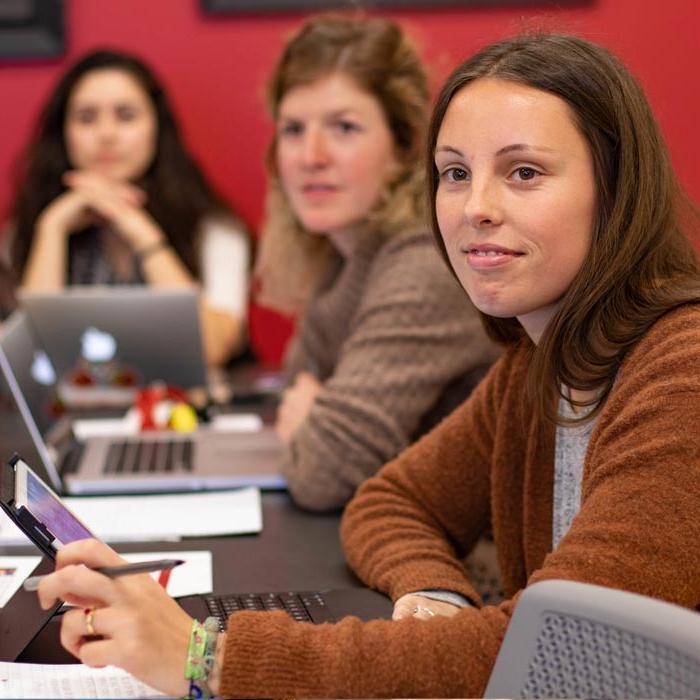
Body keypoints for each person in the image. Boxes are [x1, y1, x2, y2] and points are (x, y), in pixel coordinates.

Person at [36, 32, 700, 698]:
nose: (476, 209)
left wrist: (205, 657)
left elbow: (565, 652)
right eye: (455, 173)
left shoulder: (683, 374)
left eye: (523, 172)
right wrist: (433, 589)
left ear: (616, 190)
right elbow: (388, 500)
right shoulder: (534, 366)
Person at [255, 15, 498, 510]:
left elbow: (323, 472)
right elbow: (298, 387)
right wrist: (308, 413)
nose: (310, 155)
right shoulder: (343, 252)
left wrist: (309, 417)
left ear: (404, 145)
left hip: (473, 568)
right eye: (293, 129)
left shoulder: (425, 262)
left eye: (344, 127)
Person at [6, 50, 250, 367]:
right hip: (76, 415)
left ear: (157, 129)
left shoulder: (215, 231)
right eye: (86, 118)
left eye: (126, 116)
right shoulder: (24, 233)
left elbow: (210, 350)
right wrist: (51, 229)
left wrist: (139, 230)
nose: (106, 136)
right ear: (63, 133)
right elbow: (32, 364)